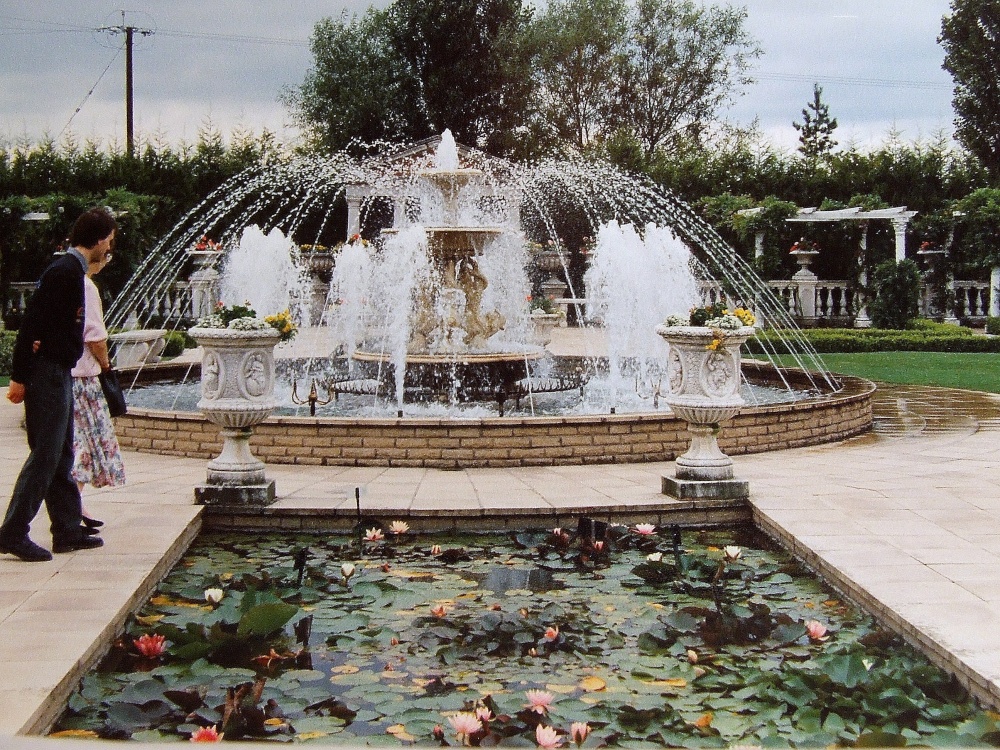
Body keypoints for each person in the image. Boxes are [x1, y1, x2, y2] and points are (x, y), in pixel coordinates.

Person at [0, 207, 116, 562]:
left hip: (58, 370)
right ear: (98, 239)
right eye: (109, 241)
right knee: (46, 455)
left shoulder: (72, 271)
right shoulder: (64, 273)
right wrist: (20, 377)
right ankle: (13, 532)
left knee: (62, 452)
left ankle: (66, 530)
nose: (109, 248)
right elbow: (31, 326)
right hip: (47, 373)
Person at [71, 248, 126, 530]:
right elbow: (95, 337)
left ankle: (75, 504)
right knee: (87, 444)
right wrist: (106, 365)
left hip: (68, 376)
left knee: (79, 442)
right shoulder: (87, 287)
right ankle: (73, 505)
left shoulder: (68, 282)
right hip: (84, 378)